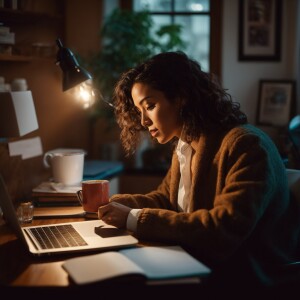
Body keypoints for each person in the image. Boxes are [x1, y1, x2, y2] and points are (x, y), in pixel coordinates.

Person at [98, 51, 300, 291]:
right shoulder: (186, 143)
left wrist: (133, 217)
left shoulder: (246, 145)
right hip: (200, 264)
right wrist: (111, 204)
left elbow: (222, 230)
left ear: (181, 97)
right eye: (139, 110)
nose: (143, 121)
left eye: (150, 106)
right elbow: (165, 200)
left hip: (245, 279)